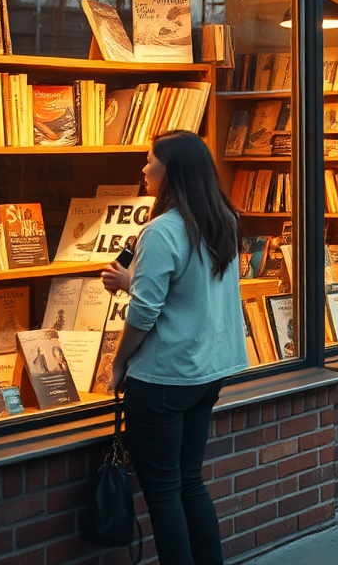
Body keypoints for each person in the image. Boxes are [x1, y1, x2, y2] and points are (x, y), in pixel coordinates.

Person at [101, 130, 247, 565]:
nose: (144, 168)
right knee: (189, 483)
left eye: (151, 160)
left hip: (164, 376)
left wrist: (119, 362)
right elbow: (193, 289)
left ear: (172, 171)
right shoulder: (222, 219)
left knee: (164, 493)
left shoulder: (161, 231)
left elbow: (145, 313)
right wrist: (133, 280)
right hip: (206, 373)